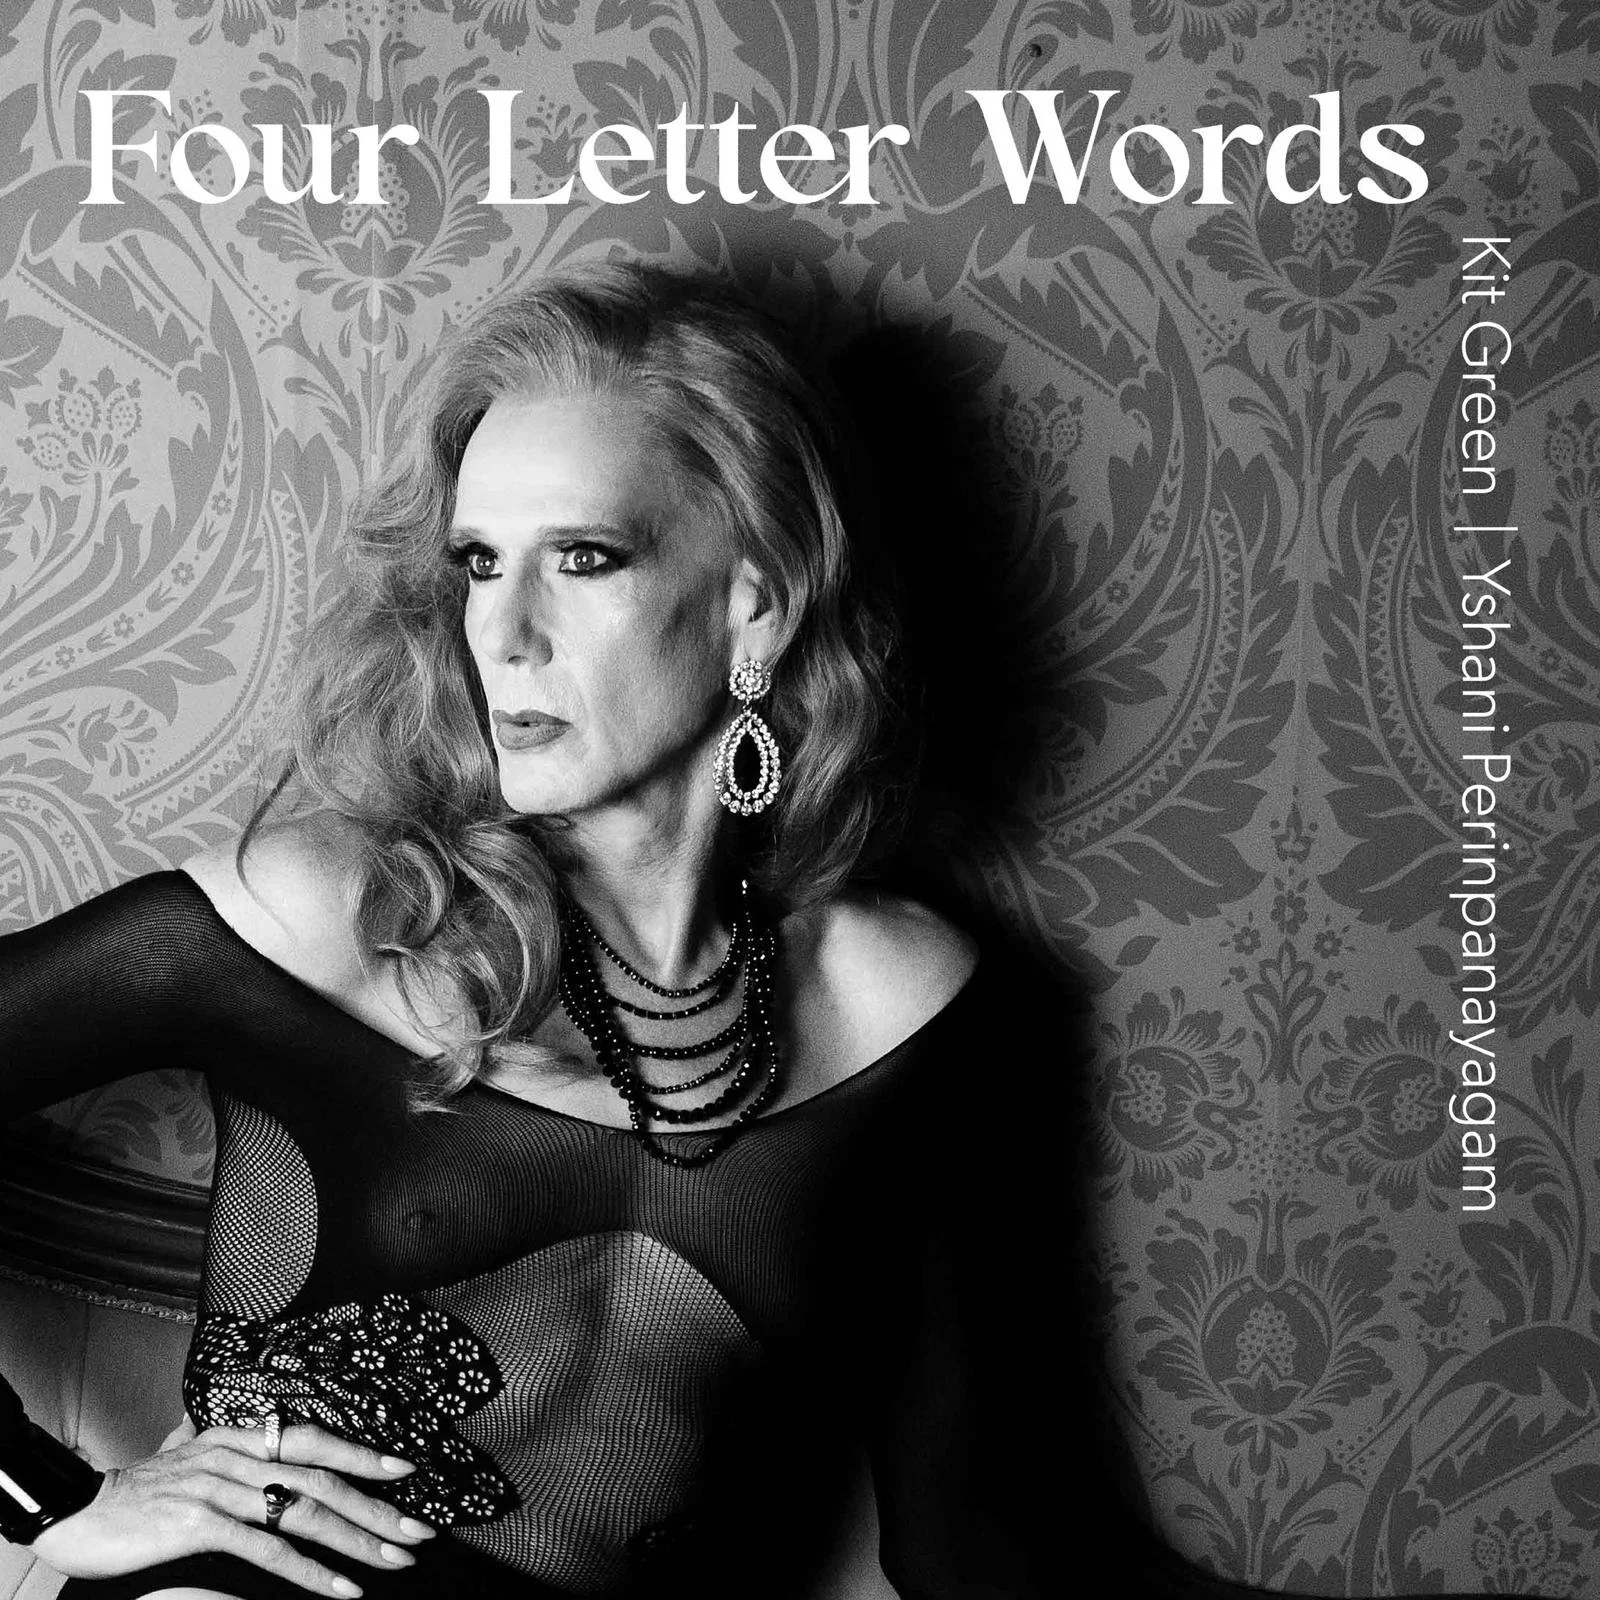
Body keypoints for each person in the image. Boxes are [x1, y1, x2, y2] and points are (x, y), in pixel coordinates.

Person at [0, 263, 1052, 1599]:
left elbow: (974, 1541)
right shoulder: (342, 917)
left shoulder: (899, 1001)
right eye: (479, 562)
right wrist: (45, 1498)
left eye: (585, 559)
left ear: (758, 603)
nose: (500, 632)